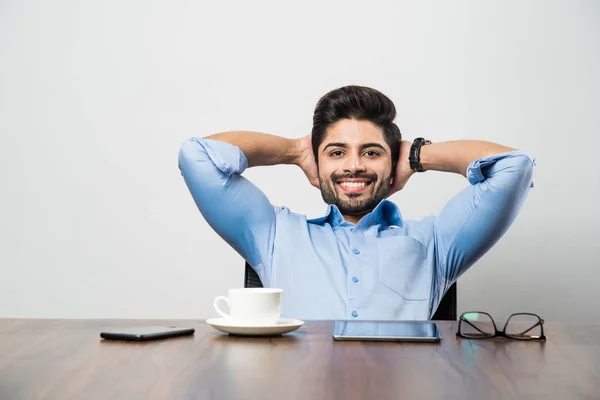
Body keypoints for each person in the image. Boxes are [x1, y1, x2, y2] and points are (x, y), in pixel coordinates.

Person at [178, 85, 535, 321]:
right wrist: (294, 151)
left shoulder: (437, 242)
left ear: (391, 163)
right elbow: (197, 156)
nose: (353, 165)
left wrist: (416, 155)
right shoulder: (274, 234)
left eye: (371, 152)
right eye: (336, 153)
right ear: (317, 163)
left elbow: (514, 168)